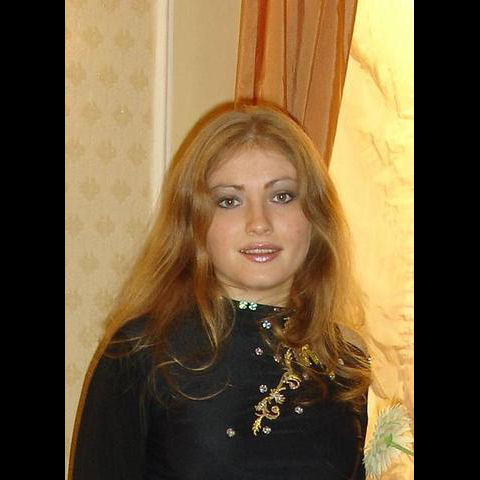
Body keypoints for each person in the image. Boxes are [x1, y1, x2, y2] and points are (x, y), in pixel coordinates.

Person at [69, 103, 372, 480]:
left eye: (282, 196)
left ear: (316, 215)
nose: (259, 223)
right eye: (229, 201)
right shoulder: (142, 351)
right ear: (194, 224)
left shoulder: (347, 361)